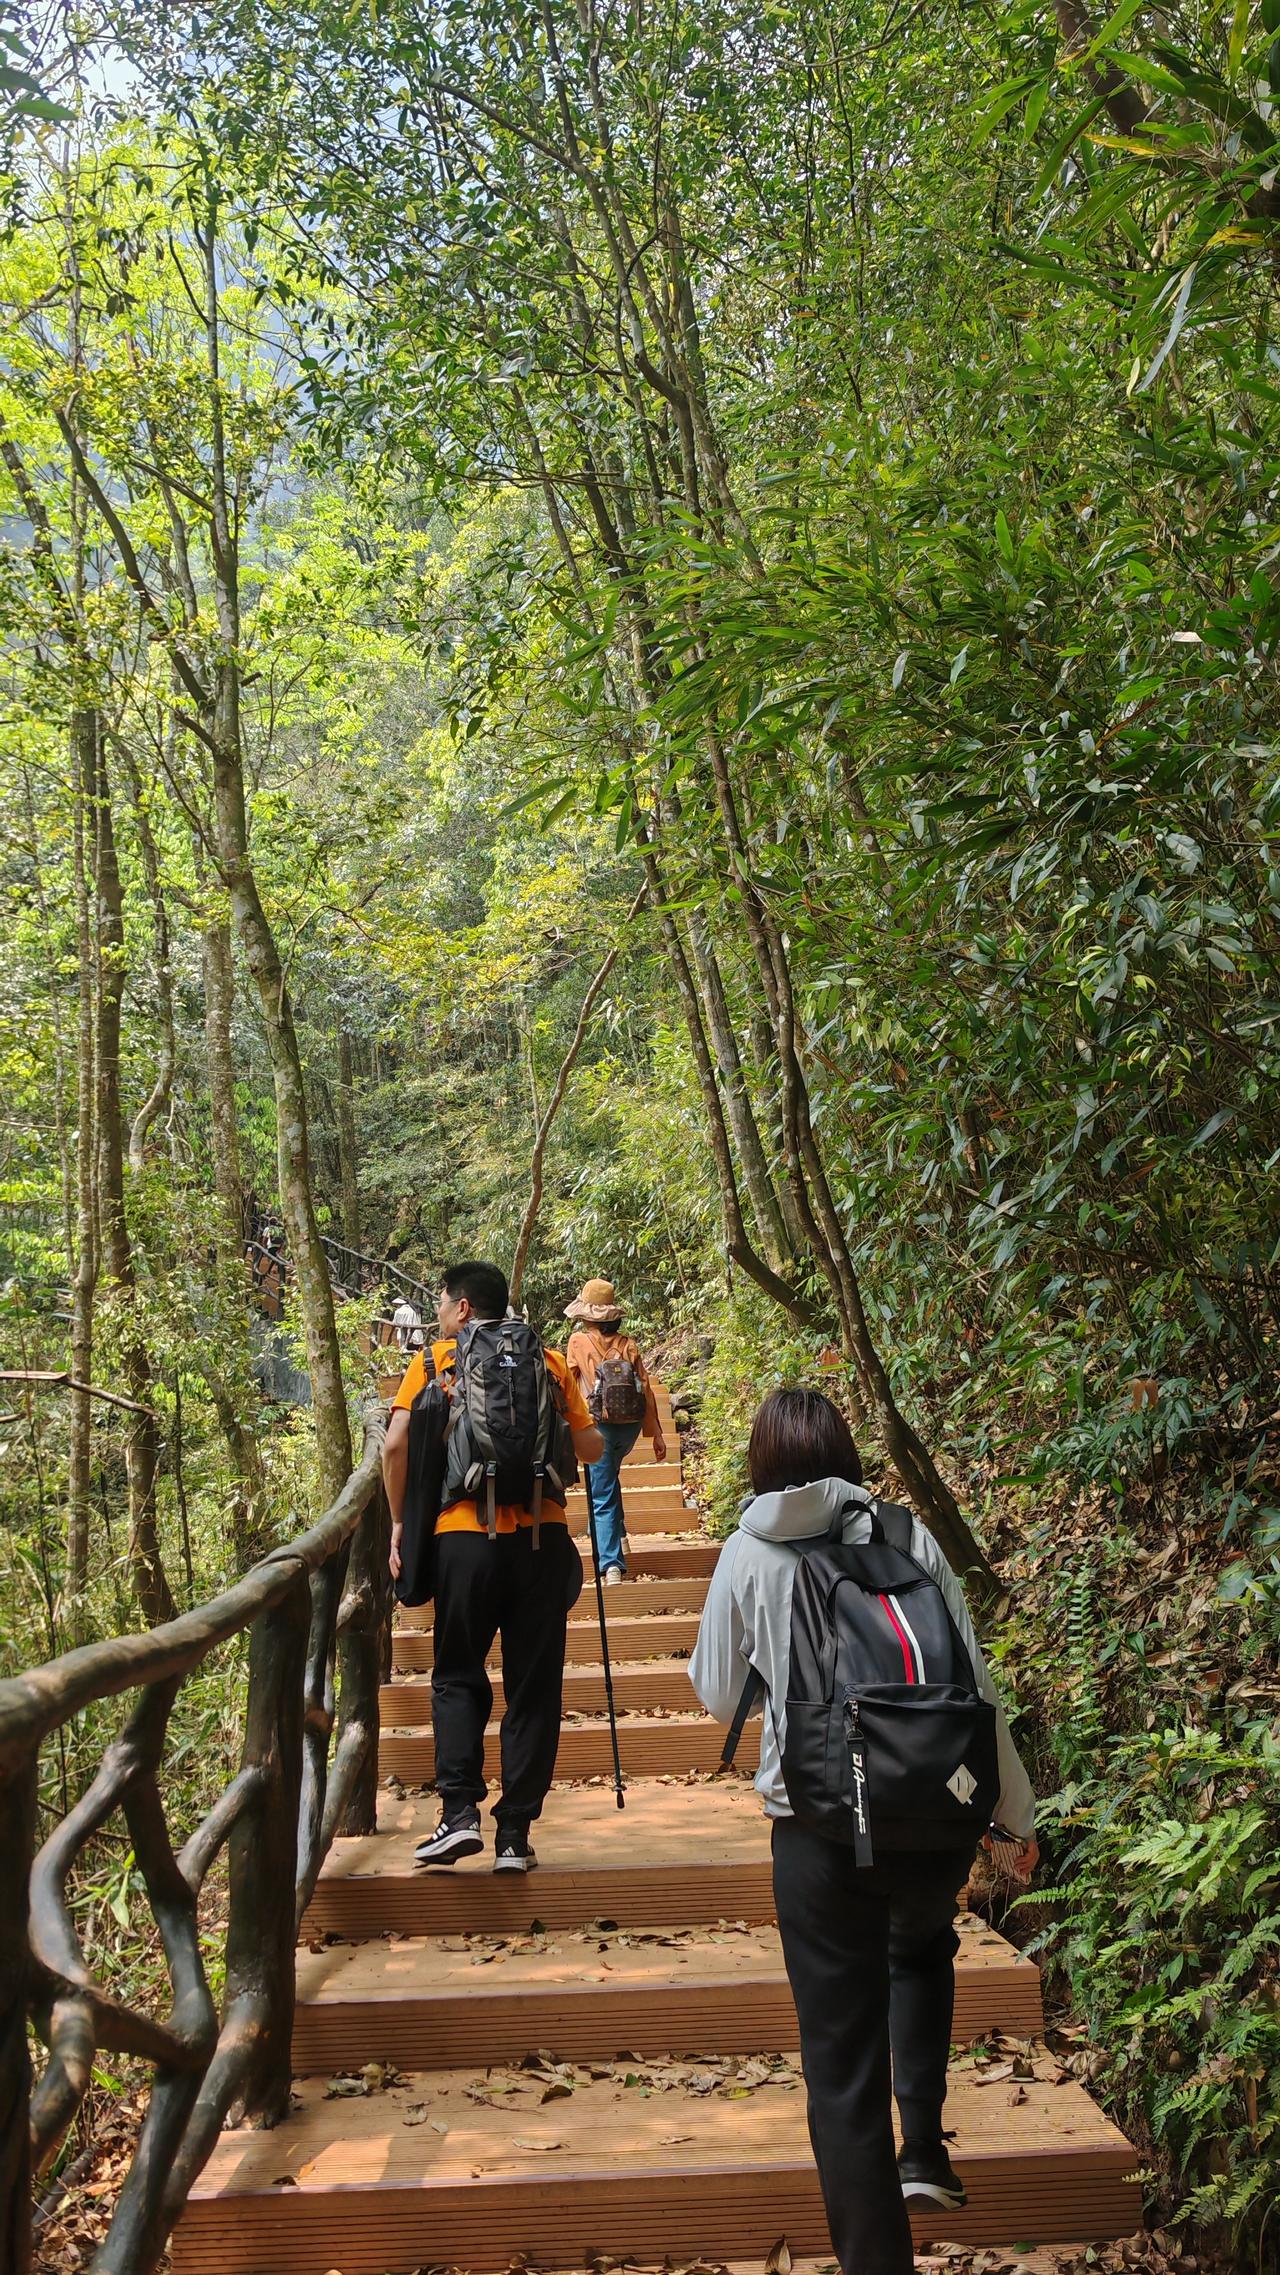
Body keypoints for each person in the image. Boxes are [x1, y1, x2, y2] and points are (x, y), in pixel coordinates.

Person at [689, 1386, 1038, 2275]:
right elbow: (973, 1680)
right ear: (845, 1452)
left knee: (840, 2064)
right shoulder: (907, 1533)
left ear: (762, 1465)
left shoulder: (747, 1549)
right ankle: (923, 2148)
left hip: (817, 1831)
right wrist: (1016, 1812)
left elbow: (717, 1692)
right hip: (933, 1809)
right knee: (919, 1949)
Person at [383, 1260, 602, 1874]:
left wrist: (401, 1522)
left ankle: (457, 1817)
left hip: (462, 1541)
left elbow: (395, 1444)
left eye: (443, 1305)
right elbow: (592, 1448)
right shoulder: (550, 1361)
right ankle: (514, 1836)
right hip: (541, 1539)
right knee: (533, 1689)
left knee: (457, 1674)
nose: (439, 1316)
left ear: (465, 1309)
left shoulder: (435, 1362)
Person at [564, 1278, 666, 1584]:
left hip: (599, 1427)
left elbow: (567, 1385)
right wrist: (657, 1433)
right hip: (630, 1428)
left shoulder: (577, 1342)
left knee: (601, 1494)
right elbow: (645, 1389)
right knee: (607, 1480)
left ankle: (610, 1564)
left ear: (586, 1315)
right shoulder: (628, 1344)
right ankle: (619, 1537)